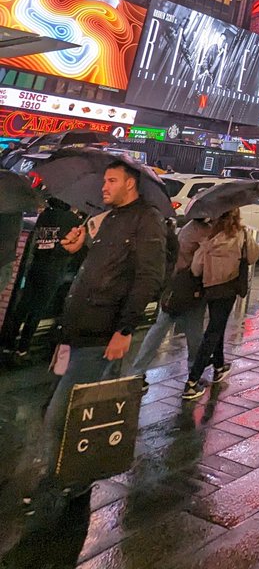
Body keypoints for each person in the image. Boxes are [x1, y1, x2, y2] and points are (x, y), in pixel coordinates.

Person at [37, 162, 167, 490]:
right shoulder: (109, 218)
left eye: (112, 181)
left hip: (101, 333)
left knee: (61, 414)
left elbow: (149, 277)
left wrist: (125, 330)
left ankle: (62, 481)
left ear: (130, 184)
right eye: (104, 180)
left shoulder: (146, 220)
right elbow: (102, 268)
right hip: (75, 330)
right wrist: (80, 248)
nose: (104, 187)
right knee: (63, 410)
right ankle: (67, 475)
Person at [182, 208, 259, 400]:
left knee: (218, 324)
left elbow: (196, 268)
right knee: (214, 330)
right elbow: (253, 256)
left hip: (211, 288)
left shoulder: (210, 237)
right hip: (230, 287)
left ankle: (219, 366)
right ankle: (192, 382)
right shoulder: (242, 234)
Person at [130, 217, 210, 390]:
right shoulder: (204, 233)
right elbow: (197, 268)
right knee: (194, 333)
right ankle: (194, 374)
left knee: (157, 330)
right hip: (191, 289)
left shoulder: (187, 228)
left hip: (173, 287)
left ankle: (136, 372)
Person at [9, 198, 80, 357]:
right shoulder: (73, 219)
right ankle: (23, 346)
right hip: (55, 269)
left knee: (23, 304)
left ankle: (9, 342)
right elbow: (74, 246)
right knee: (38, 309)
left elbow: (36, 237)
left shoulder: (44, 216)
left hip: (36, 264)